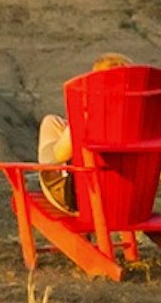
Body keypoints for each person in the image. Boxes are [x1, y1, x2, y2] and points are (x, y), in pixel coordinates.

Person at [30, 51, 134, 212]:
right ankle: (66, 132)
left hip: (82, 200)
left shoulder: (91, 116)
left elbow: (59, 155)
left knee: (54, 147)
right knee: (52, 122)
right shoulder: (144, 122)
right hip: (131, 199)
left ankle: (49, 166)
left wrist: (76, 125)